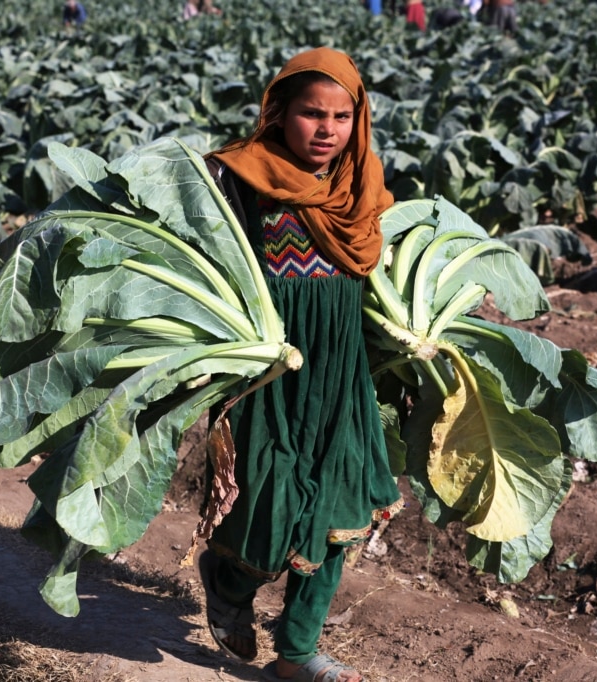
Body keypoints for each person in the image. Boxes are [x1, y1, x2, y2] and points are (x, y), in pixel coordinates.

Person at [198, 47, 403, 682]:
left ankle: (297, 652)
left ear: (358, 120)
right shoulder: (240, 177)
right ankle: (229, 580)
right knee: (267, 500)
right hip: (269, 371)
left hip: (339, 373)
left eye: (342, 116)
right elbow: (205, 264)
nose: (326, 129)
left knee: (339, 507)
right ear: (279, 112)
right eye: (311, 113)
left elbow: (375, 273)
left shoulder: (360, 182)